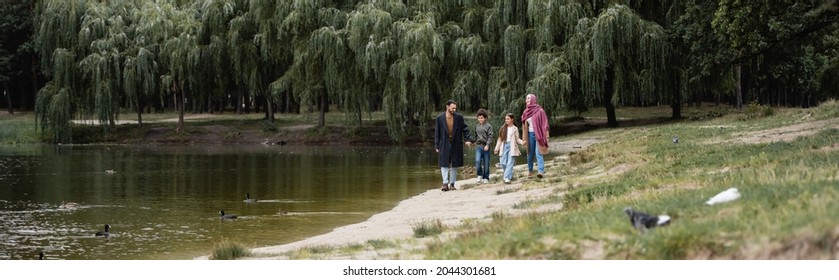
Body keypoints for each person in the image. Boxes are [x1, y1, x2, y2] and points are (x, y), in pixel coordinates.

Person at [434, 100, 473, 191]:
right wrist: (436, 145)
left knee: (455, 164)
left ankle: (452, 184)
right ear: (447, 107)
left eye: (455, 108)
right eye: (452, 108)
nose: (454, 110)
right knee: (444, 164)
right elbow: (437, 133)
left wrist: (467, 139)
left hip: (456, 143)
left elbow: (465, 129)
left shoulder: (459, 117)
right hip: (443, 143)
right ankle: (445, 183)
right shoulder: (439, 118)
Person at [521, 93, 550, 178]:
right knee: (530, 154)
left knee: (539, 153)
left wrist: (546, 136)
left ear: (533, 99)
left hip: (539, 135)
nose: (527, 100)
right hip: (529, 135)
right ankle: (530, 171)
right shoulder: (526, 112)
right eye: (526, 98)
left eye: (529, 98)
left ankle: (540, 171)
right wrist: (524, 138)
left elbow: (545, 124)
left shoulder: (540, 110)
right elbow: (524, 126)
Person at [494, 113, 525, 183]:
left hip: (512, 146)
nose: (506, 120)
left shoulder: (515, 129)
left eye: (508, 119)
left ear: (512, 119)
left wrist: (522, 142)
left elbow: (517, 139)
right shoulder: (503, 128)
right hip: (504, 146)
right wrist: (496, 148)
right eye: (505, 119)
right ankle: (508, 174)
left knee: (510, 163)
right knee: (502, 162)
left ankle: (507, 178)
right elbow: (500, 139)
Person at [473, 109, 493, 184]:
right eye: (479, 118)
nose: (480, 119)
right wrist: (473, 142)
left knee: (486, 162)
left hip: (486, 146)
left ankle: (486, 177)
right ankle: (479, 175)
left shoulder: (488, 126)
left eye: (482, 118)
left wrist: (487, 145)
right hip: (478, 146)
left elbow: (490, 136)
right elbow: (476, 136)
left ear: (485, 118)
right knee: (477, 161)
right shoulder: (477, 126)